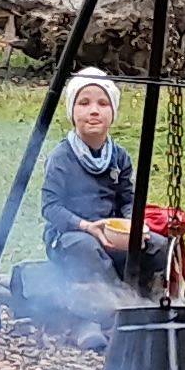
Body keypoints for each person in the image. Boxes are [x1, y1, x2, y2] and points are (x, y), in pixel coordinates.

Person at [26, 69, 143, 337]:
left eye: (103, 104)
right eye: (84, 103)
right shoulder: (62, 157)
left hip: (111, 231)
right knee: (87, 248)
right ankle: (94, 318)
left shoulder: (119, 156)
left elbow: (127, 197)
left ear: (112, 113)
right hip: (69, 234)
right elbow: (50, 207)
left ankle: (145, 309)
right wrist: (86, 226)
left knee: (154, 246)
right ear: (71, 111)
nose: (94, 111)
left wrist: (133, 224)